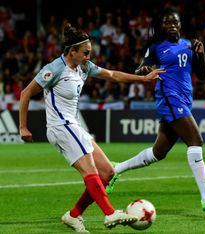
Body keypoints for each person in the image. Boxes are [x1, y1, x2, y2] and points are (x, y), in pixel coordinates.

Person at [19, 23, 164, 233]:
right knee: (91, 171)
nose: (89, 56)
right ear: (72, 51)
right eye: (85, 53)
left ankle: (74, 215)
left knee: (107, 173)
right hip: (60, 127)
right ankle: (110, 213)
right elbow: (25, 94)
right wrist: (23, 127)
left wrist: (143, 78)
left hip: (73, 125)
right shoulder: (54, 69)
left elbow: (112, 75)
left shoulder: (83, 67)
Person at [105, 8, 205, 213]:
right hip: (169, 98)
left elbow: (202, 74)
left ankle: (115, 169)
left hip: (184, 99)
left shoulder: (190, 45)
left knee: (158, 152)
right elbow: (140, 68)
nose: (171, 25)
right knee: (196, 141)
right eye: (167, 23)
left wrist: (202, 55)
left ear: (180, 24)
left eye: (174, 22)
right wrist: (145, 70)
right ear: (162, 27)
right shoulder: (156, 47)